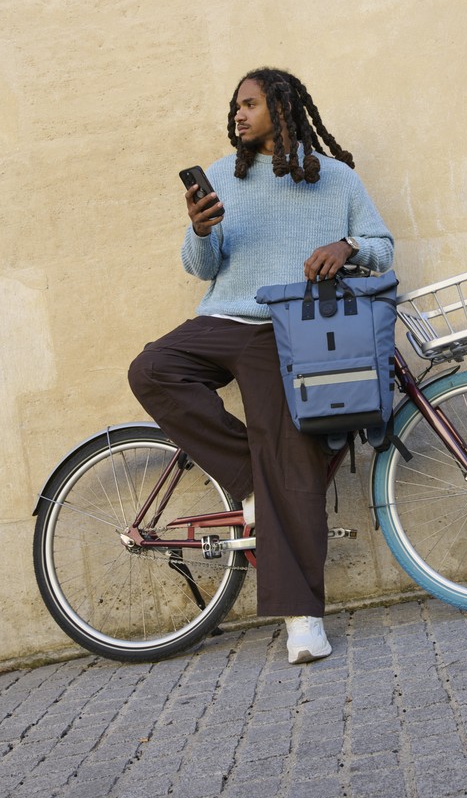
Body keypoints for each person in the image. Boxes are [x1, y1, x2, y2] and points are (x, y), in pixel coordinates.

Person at [128, 67, 394, 664]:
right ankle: (253, 481)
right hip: (226, 317)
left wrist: (347, 246)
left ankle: (303, 621)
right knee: (151, 370)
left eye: (249, 104)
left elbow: (382, 248)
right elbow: (201, 267)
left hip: (291, 330)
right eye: (236, 106)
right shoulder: (224, 175)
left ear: (281, 106)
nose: (239, 114)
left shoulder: (336, 178)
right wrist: (200, 230)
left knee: (292, 455)